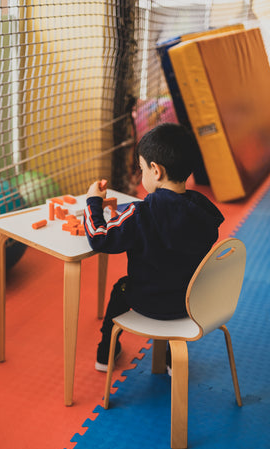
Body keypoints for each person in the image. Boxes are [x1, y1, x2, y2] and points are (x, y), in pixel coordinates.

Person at [84, 123, 224, 372]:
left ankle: (105, 353)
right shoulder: (203, 211)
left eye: (141, 168)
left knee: (120, 289)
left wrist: (93, 201)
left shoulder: (141, 213)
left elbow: (99, 237)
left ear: (156, 171)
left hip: (147, 301)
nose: (141, 175)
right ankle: (172, 359)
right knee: (177, 273)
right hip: (191, 303)